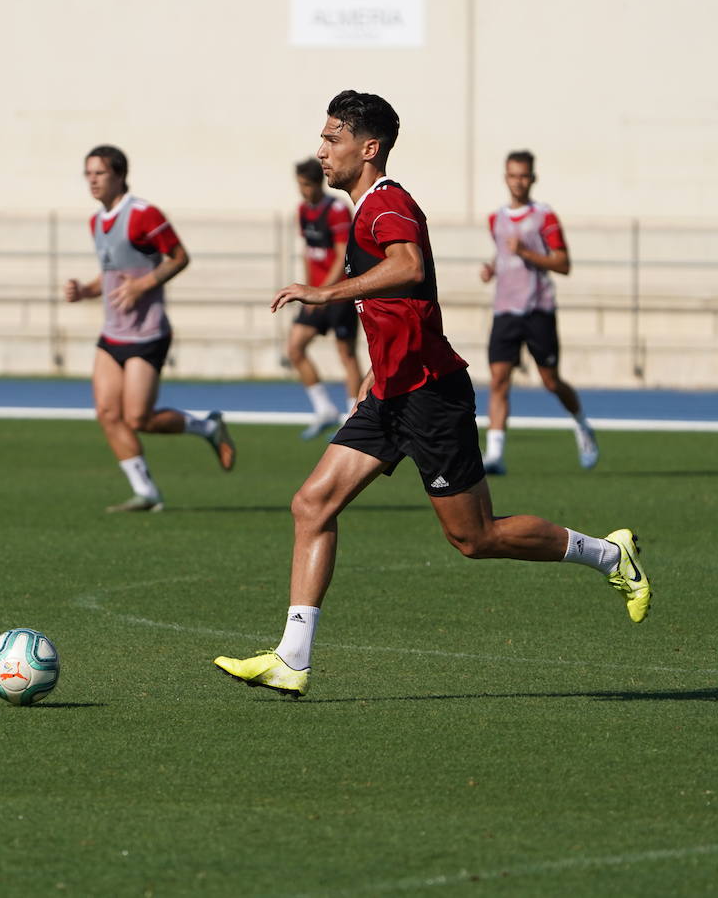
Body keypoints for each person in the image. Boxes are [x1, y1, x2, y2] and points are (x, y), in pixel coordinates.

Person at [213, 91, 650, 698]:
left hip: (431, 395)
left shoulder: (386, 204)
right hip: (391, 392)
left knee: (474, 538)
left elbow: (409, 266)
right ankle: (293, 656)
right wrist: (374, 367)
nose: (321, 150)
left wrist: (325, 292)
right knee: (311, 504)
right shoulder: (363, 209)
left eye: (332, 138)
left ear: (369, 149)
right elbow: (395, 305)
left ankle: (609, 556)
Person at [63, 144, 235, 512]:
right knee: (108, 414)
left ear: (120, 175)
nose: (92, 180)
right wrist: (86, 291)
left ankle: (207, 427)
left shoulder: (143, 214)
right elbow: (110, 277)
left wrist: (143, 285)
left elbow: (180, 257)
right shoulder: (96, 221)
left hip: (147, 334)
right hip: (112, 334)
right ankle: (146, 492)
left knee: (138, 417)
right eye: (87, 173)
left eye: (99, 173)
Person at [478, 151, 597, 474]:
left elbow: (563, 263)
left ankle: (582, 425)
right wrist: (492, 268)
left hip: (537, 308)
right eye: (513, 175)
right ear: (506, 177)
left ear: (533, 178)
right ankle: (496, 454)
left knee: (550, 381)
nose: (518, 181)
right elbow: (503, 255)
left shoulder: (544, 216)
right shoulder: (495, 219)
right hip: (505, 309)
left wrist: (527, 253)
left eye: (524, 175)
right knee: (499, 379)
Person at [287, 157, 362, 439]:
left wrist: (323, 292)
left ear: (317, 183)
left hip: (339, 294)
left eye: (305, 185)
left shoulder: (337, 210)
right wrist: (309, 289)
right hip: (316, 295)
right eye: (299, 185)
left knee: (346, 354)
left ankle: (354, 419)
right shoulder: (303, 211)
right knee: (294, 348)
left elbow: (342, 255)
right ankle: (324, 409)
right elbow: (309, 252)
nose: (302, 190)